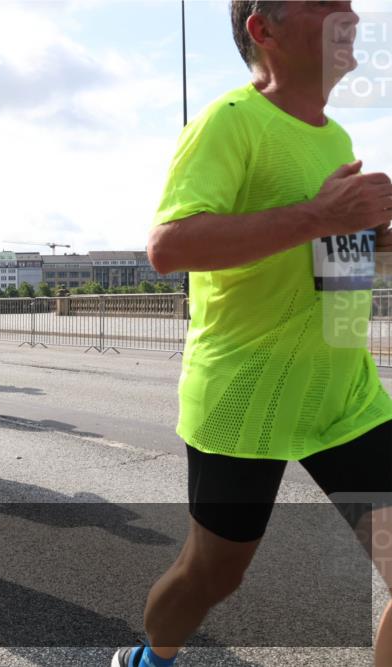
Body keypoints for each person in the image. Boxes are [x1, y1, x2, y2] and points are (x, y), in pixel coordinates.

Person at [112, 4, 392, 666]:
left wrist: (371, 243)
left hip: (344, 400)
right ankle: (150, 657)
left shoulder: (336, 140)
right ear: (263, 29)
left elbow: (331, 272)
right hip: (246, 397)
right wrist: (323, 213)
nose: (350, 13)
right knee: (213, 576)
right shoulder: (229, 122)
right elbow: (168, 246)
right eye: (327, 3)